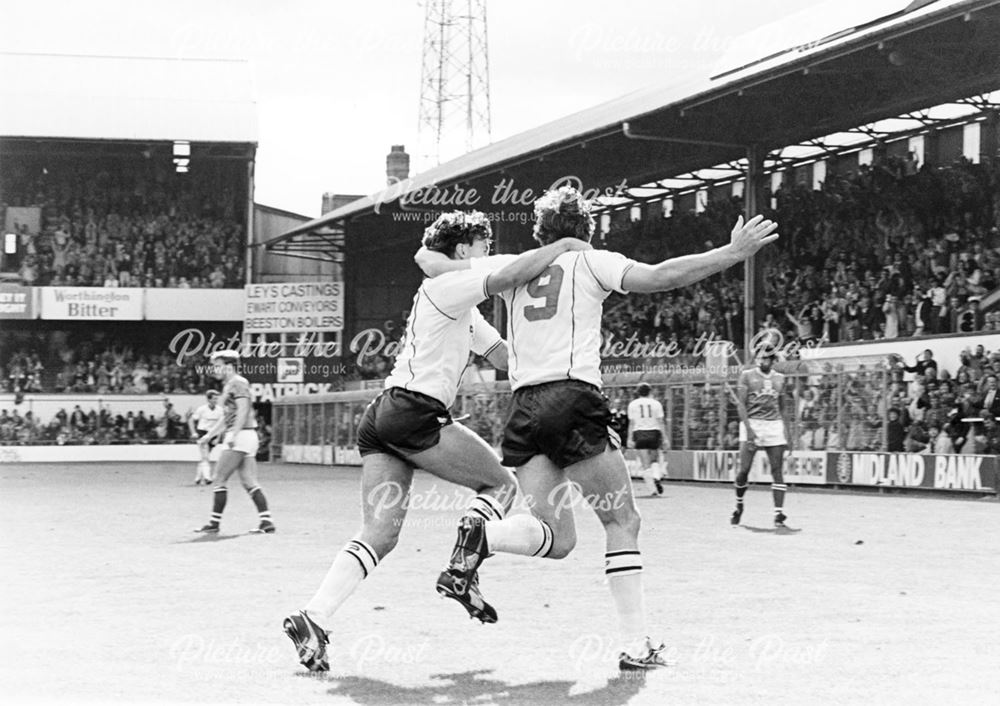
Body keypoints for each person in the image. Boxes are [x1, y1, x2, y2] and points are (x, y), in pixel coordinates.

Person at [416, 186, 778, 670]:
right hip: (572, 399)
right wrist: (732, 253)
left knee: (557, 538)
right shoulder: (592, 261)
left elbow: (430, 262)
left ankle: (483, 536)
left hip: (524, 407)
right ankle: (635, 645)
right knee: (622, 521)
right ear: (586, 231)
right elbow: (661, 276)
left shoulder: (511, 265)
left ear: (542, 232)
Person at [282, 211, 591, 673]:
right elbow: (507, 274)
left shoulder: (461, 307)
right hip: (413, 413)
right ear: (463, 250)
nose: (486, 255)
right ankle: (464, 564)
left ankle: (313, 616)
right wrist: (563, 247)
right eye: (482, 246)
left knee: (381, 535)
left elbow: (507, 356)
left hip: (385, 417)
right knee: (501, 486)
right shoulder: (449, 288)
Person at [194, 350, 275, 535]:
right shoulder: (232, 384)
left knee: (219, 478)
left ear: (229, 366)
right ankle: (266, 521)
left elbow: (243, 410)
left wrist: (233, 435)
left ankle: (214, 523)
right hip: (246, 436)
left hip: (241, 435)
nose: (214, 369)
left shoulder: (237, 383)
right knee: (248, 481)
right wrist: (210, 435)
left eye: (217, 365)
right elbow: (228, 416)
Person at [730, 346, 790, 529]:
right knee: (744, 470)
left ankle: (778, 514)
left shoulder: (780, 379)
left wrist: (788, 433)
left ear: (772, 360)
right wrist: (748, 429)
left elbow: (783, 408)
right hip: (753, 422)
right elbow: (741, 404)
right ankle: (739, 503)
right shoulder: (747, 376)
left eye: (765, 359)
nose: (762, 361)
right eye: (759, 358)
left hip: (773, 425)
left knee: (777, 470)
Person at [626, 382, 666, 497]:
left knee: (645, 464)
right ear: (650, 392)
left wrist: (629, 438)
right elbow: (660, 422)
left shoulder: (633, 404)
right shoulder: (656, 404)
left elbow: (632, 423)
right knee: (655, 459)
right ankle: (656, 477)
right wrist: (665, 437)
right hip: (654, 432)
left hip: (639, 433)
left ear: (638, 393)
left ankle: (652, 489)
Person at [189, 390, 223, 485]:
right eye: (214, 398)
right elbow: (191, 420)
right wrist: (194, 433)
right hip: (202, 433)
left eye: (217, 398)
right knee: (205, 456)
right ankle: (208, 478)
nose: (216, 400)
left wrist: (218, 437)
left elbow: (221, 425)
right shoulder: (202, 409)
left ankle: (198, 477)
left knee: (205, 457)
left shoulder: (220, 410)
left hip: (213, 434)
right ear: (209, 399)